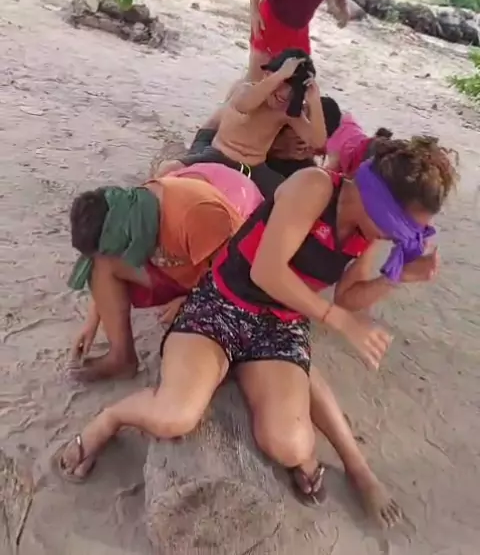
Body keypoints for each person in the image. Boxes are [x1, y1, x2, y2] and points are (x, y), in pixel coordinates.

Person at [55, 137, 457, 530]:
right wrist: (337, 320)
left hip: (280, 324)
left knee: (291, 445)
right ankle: (108, 420)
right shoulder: (314, 186)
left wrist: (398, 277)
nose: (397, 238)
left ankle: (348, 461)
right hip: (222, 304)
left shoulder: (367, 233)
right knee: (175, 416)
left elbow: (349, 296)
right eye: (399, 227)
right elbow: (267, 270)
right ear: (378, 200)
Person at [68, 174, 244, 382]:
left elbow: (236, 277)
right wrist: (92, 322)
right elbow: (101, 258)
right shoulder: (132, 209)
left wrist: (190, 301)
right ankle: (121, 358)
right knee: (100, 264)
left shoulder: (197, 215)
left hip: (219, 283)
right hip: (176, 271)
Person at [155, 51, 327, 199]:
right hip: (219, 155)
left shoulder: (286, 111)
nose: (285, 94)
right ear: (267, 75)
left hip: (254, 167)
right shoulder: (245, 90)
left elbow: (317, 141)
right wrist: (281, 75)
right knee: (169, 168)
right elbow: (244, 106)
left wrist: (315, 101)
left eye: (293, 91)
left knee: (286, 196)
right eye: (282, 85)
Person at [325, 110, 393, 177]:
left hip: (362, 156)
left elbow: (332, 169)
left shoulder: (333, 143)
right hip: (370, 144)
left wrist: (321, 170)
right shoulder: (350, 122)